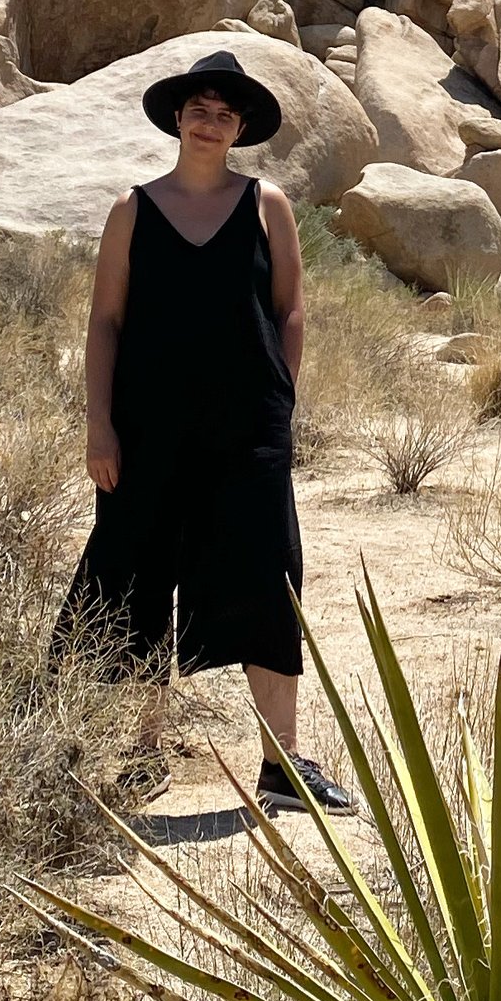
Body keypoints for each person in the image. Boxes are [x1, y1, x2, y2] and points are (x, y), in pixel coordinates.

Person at [57, 47, 352, 815]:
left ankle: (282, 765)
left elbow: (289, 307)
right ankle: (147, 751)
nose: (209, 121)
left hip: (247, 433)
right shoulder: (133, 208)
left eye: (225, 112)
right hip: (147, 431)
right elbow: (105, 322)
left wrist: (280, 396)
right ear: (178, 117)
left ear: (240, 127)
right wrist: (99, 425)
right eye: (199, 108)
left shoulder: (268, 204)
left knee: (268, 579)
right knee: (141, 578)